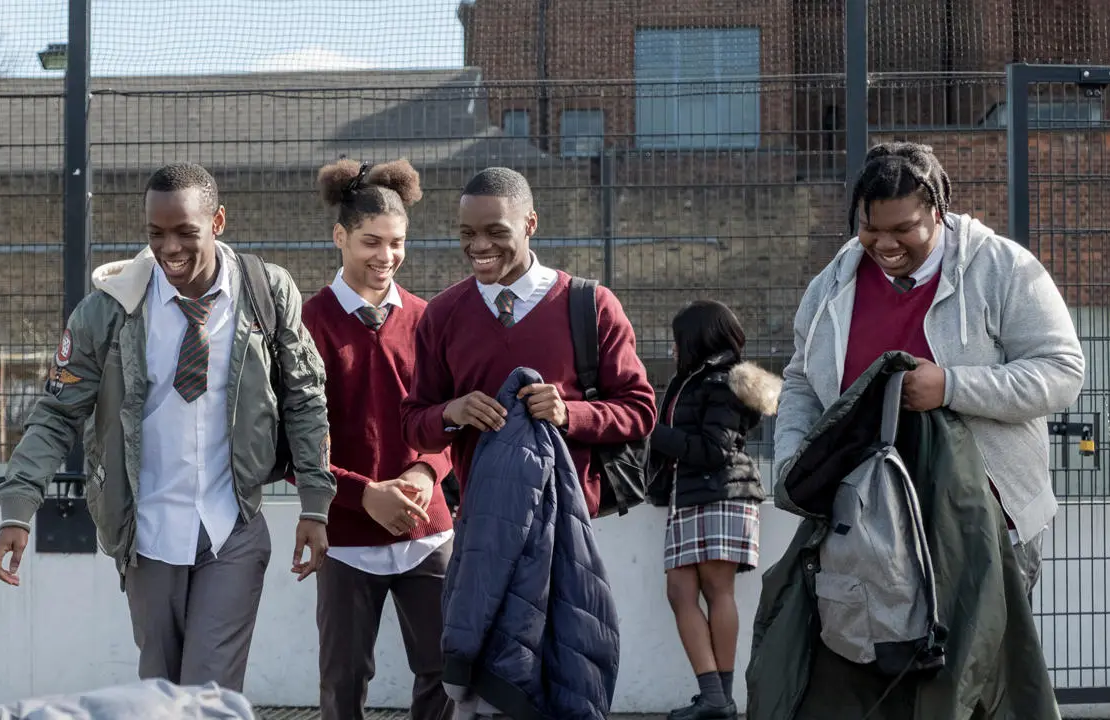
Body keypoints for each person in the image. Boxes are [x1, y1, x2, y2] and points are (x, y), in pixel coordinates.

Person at [0, 162, 336, 692]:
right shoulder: (108, 311)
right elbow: (57, 414)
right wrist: (17, 509)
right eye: (156, 233)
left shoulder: (266, 291)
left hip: (232, 527)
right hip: (146, 535)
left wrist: (315, 500)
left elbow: (306, 397)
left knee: (207, 693)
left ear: (218, 221)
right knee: (160, 691)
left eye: (185, 232)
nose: (169, 248)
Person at [775, 141, 1085, 600]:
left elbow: (1062, 371)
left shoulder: (1003, 268)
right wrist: (790, 461)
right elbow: (801, 379)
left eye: (904, 229)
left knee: (983, 650)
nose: (884, 244)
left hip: (987, 529)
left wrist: (950, 386)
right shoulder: (831, 287)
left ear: (938, 213)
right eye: (869, 228)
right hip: (869, 536)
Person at [400, 166, 657, 520]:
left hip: (568, 520)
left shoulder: (592, 305)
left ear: (530, 224)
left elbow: (640, 411)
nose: (479, 246)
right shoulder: (442, 314)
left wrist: (569, 413)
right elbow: (414, 425)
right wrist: (452, 413)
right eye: (467, 233)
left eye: (496, 232)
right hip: (483, 520)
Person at [300, 158, 455, 720]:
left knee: (447, 671)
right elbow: (291, 444)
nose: (386, 256)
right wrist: (363, 493)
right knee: (343, 682)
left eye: (397, 242)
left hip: (428, 530)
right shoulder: (306, 324)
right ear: (339, 236)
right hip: (345, 536)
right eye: (371, 241)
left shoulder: (429, 319)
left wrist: (425, 471)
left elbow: (449, 419)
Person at [647, 301, 780, 720]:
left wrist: (654, 434)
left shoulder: (721, 383)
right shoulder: (695, 380)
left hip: (721, 493)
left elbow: (713, 451)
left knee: (716, 590)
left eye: (678, 339)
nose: (673, 348)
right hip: (694, 495)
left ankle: (717, 699)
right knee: (680, 591)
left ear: (697, 338)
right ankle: (716, 699)